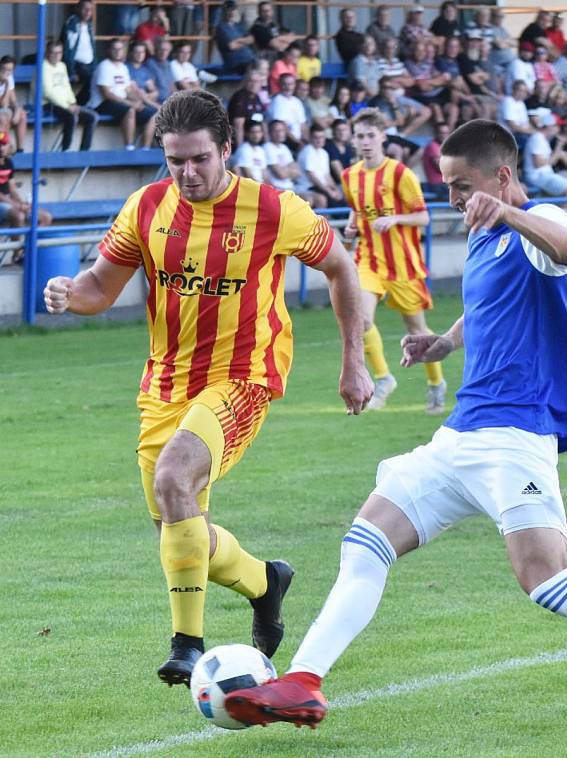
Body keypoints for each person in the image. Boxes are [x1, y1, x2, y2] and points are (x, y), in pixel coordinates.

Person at [223, 118, 567, 731]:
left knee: (546, 582)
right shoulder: (486, 237)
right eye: (449, 187)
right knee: (365, 542)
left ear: (503, 176)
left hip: (516, 438)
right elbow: (485, 303)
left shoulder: (542, 220)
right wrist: (442, 344)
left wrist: (509, 213)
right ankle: (302, 682)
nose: (454, 199)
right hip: (458, 440)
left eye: (462, 187)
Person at [42, 90, 373, 687]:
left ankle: (187, 646)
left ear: (227, 149)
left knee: (174, 481)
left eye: (199, 159)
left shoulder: (273, 209)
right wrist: (70, 295)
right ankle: (264, 581)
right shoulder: (145, 207)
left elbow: (341, 268)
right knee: (179, 528)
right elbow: (100, 286)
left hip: (242, 379)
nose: (188, 173)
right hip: (164, 386)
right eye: (175, 161)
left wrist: (354, 361)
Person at [339, 108, 446, 413]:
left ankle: (436, 384)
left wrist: (395, 219)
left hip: (403, 265)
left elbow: (423, 217)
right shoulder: (350, 176)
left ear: (383, 136)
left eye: (371, 135)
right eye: (360, 136)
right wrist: (351, 226)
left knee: (417, 330)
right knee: (360, 320)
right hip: (369, 260)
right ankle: (384, 378)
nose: (366, 141)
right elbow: (357, 209)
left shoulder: (400, 173)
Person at [88, 39, 157, 150]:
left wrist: (138, 101)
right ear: (109, 50)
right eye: (114, 49)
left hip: (121, 102)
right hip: (102, 104)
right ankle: (129, 147)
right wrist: (130, 103)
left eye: (120, 49)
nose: (117, 52)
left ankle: (145, 148)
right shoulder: (104, 66)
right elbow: (106, 93)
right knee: (130, 110)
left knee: (154, 114)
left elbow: (128, 90)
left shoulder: (123, 67)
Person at [42, 39, 99, 152]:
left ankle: (84, 151)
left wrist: (72, 102)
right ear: (47, 53)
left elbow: (66, 86)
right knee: (72, 117)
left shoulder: (62, 66)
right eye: (53, 52)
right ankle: (66, 149)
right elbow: (47, 92)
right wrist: (67, 106)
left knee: (93, 117)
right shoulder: (43, 67)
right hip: (47, 104)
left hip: (66, 104)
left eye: (59, 53)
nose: (57, 56)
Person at [0, 130, 53, 251]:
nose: (1, 148)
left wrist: (22, 204)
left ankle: (31, 251)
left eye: (3, 144)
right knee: (18, 215)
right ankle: (17, 254)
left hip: (9, 203)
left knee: (45, 217)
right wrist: (18, 206)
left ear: (9, 146)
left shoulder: (8, 163)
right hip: (3, 204)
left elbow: (12, 189)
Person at [296, 124, 344, 208]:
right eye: (316, 137)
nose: (319, 140)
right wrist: (328, 191)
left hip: (321, 187)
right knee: (324, 199)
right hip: (308, 187)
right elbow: (312, 177)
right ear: (310, 138)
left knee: (343, 194)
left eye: (321, 137)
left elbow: (327, 176)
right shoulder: (308, 151)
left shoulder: (324, 153)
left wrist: (335, 189)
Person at [61, 0, 96, 105]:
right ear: (78, 9)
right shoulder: (73, 23)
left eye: (90, 10)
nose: (88, 12)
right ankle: (78, 104)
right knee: (94, 80)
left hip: (89, 65)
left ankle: (79, 104)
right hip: (77, 65)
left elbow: (92, 48)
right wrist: (71, 71)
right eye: (85, 9)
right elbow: (69, 50)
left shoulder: (89, 26)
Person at [227, 68, 267, 150]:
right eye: (250, 81)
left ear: (260, 84)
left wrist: (267, 144)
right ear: (245, 82)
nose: (253, 84)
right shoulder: (240, 97)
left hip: (255, 143)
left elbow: (263, 122)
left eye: (256, 82)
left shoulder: (257, 98)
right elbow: (238, 125)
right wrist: (240, 148)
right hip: (242, 144)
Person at [216, 1, 256, 75]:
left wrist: (238, 40)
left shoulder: (238, 25)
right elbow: (232, 46)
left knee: (263, 64)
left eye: (233, 9)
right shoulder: (221, 28)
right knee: (257, 67)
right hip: (236, 64)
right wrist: (245, 42)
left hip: (248, 61)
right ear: (224, 11)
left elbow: (252, 39)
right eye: (229, 10)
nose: (231, 12)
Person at [0, 57, 27, 152]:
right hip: (2, 109)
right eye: (4, 69)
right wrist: (6, 85)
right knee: (4, 117)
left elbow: (13, 100)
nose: (6, 72)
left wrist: (17, 110)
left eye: (9, 70)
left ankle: (20, 150)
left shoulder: (9, 78)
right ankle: (4, 150)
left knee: (22, 114)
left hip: (4, 108)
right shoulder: (6, 80)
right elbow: (3, 104)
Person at [421, 120, 451, 198]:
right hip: (438, 185)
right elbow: (441, 168)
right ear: (436, 133)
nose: (444, 135)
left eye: (446, 133)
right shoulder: (432, 147)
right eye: (441, 133)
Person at [325, 118, 356, 184]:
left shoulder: (348, 147)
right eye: (338, 130)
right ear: (333, 131)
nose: (342, 133)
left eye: (344, 130)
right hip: (336, 184)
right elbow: (340, 175)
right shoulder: (329, 146)